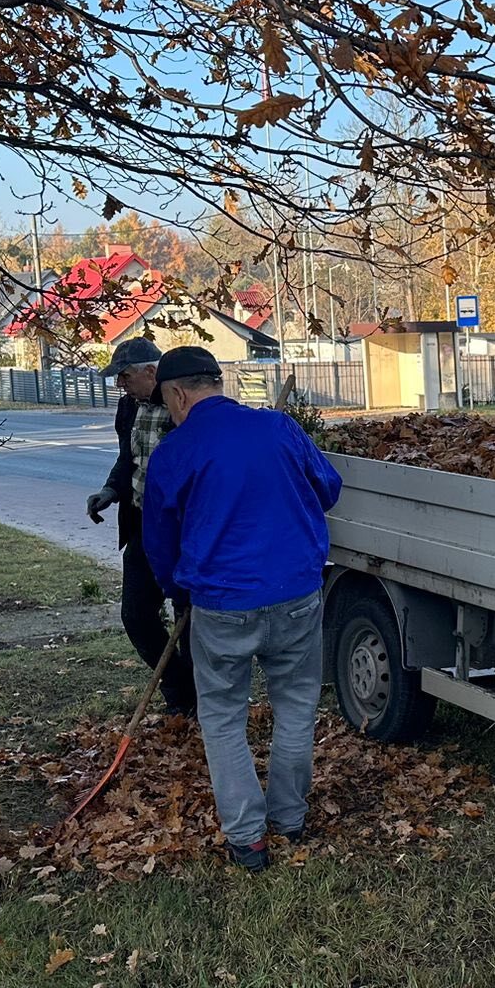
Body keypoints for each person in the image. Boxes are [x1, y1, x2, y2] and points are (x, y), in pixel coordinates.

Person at [141, 345, 343, 871]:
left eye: (167, 403)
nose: (170, 413)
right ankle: (289, 819)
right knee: (295, 708)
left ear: (178, 394)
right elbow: (328, 489)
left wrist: (176, 589)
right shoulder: (279, 429)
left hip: (221, 606)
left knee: (223, 718)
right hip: (295, 596)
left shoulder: (174, 452)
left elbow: (158, 541)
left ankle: (248, 838)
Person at [85, 336, 196, 715]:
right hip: (142, 527)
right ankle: (179, 688)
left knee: (188, 619)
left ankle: (196, 702)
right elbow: (128, 459)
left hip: (181, 530)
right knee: (136, 615)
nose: (120, 384)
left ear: (151, 371)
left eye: (125, 376)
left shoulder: (183, 403)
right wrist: (110, 490)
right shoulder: (128, 407)